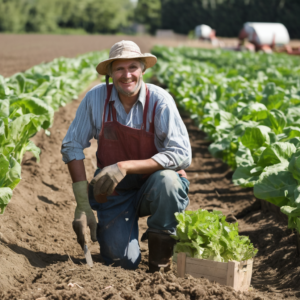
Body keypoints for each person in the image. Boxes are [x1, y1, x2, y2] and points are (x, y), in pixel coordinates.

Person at [61, 40, 192, 271]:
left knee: (169, 181)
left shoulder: (160, 101)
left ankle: (160, 260)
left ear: (143, 70)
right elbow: (71, 145)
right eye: (119, 68)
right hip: (114, 190)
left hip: (154, 187)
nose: (127, 74)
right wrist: (82, 204)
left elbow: (182, 154)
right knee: (122, 262)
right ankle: (123, 241)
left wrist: (125, 166)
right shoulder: (96, 98)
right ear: (110, 73)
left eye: (133, 67)